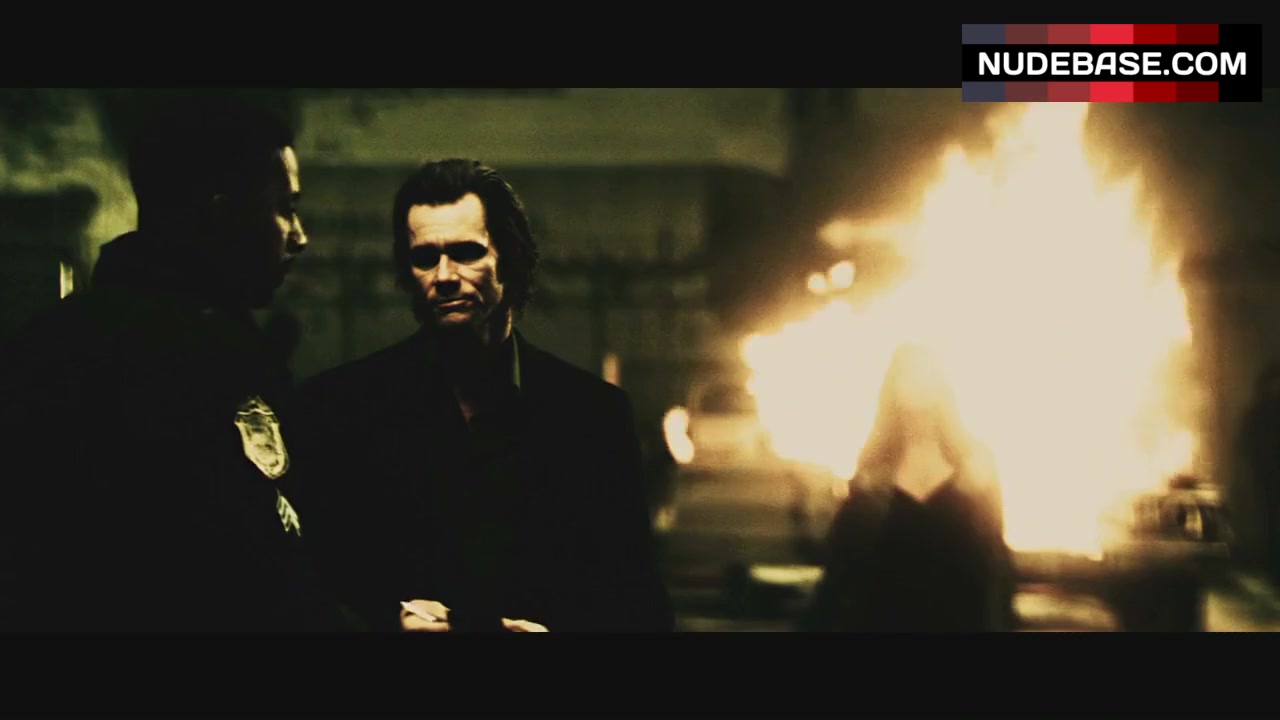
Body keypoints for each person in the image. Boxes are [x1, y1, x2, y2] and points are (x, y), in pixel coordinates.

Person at [0, 94, 359, 631]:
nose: (299, 236)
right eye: (284, 208)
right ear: (223, 213)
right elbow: (248, 575)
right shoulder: (203, 362)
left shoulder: (50, 344)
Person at [285, 158, 674, 632]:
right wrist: (390, 623)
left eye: (467, 253)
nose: (444, 275)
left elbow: (638, 604)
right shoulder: (339, 410)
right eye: (424, 258)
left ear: (510, 259)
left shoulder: (593, 417)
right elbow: (302, 594)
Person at [798, 344, 1016, 632]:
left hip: (960, 619)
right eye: (908, 373)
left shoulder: (974, 461)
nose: (918, 383)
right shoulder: (873, 469)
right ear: (893, 387)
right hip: (886, 619)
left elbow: (995, 559)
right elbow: (845, 562)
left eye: (927, 373)